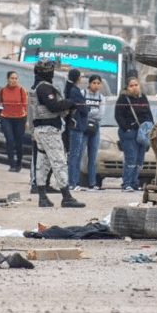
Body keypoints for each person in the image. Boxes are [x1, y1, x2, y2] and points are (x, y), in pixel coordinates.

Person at [29, 58, 85, 208]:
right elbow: (53, 106)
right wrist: (71, 102)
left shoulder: (37, 86)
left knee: (43, 163)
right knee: (59, 162)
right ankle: (66, 197)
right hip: (49, 131)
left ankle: (42, 197)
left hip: (40, 130)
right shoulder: (44, 88)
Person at [114, 76, 153, 192]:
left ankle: (135, 182)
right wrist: (127, 128)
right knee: (131, 159)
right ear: (127, 87)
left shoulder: (143, 98)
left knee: (140, 160)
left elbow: (148, 113)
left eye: (136, 85)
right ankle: (127, 183)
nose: (134, 88)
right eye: (131, 86)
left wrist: (151, 127)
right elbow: (118, 115)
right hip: (130, 133)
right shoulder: (123, 99)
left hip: (143, 132)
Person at [0, 71, 28, 172]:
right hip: (6, 118)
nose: (14, 80)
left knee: (19, 142)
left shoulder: (21, 90)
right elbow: (0, 104)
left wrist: (26, 120)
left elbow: (25, 106)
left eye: (16, 78)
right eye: (12, 78)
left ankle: (19, 163)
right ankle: (12, 164)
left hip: (20, 118)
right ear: (8, 79)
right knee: (9, 140)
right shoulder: (3, 90)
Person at [64, 69, 89, 190]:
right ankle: (72, 182)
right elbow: (83, 109)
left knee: (75, 155)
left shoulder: (71, 89)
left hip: (76, 126)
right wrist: (86, 107)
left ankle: (74, 182)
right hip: (76, 126)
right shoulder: (75, 91)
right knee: (75, 155)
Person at [82, 75, 105, 191]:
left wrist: (89, 111)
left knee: (93, 157)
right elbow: (81, 111)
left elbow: (100, 115)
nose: (96, 85)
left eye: (98, 83)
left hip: (95, 128)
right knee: (80, 155)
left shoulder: (101, 97)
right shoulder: (83, 94)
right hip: (83, 127)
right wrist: (91, 112)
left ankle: (92, 182)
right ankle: (76, 181)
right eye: (94, 83)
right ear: (89, 83)